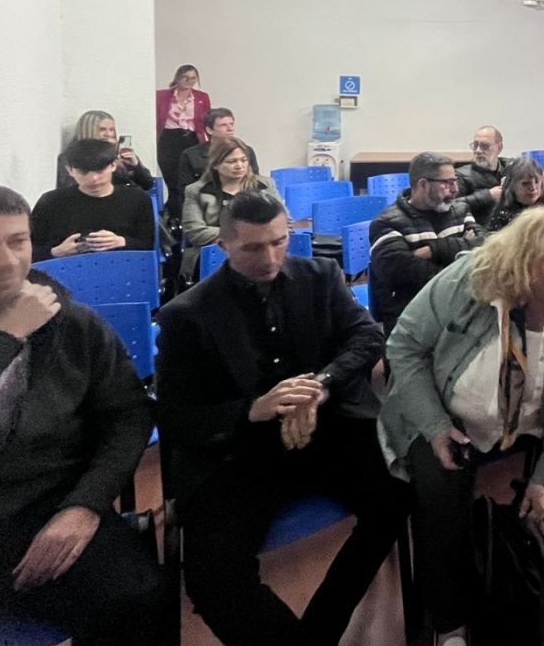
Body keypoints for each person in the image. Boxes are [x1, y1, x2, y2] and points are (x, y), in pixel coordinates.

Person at [156, 191, 407, 646]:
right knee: (212, 578)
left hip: (326, 430)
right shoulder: (185, 316)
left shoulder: (321, 275)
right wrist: (250, 411)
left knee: (398, 497)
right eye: (253, 247)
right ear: (223, 246)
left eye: (279, 242)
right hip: (239, 453)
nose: (270, 257)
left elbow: (367, 338)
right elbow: (176, 419)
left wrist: (322, 383)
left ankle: (320, 630)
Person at [379, 210, 544, 646]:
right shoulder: (471, 280)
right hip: (452, 414)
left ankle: (534, 552)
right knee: (441, 486)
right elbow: (403, 346)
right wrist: (433, 427)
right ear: (523, 262)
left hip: (533, 414)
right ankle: (448, 617)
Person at [0, 185, 160, 646]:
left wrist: (85, 507)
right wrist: (4, 336)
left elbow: (126, 416)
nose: (7, 262)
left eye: (17, 241)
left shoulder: (73, 323)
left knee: (137, 600)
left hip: (52, 505)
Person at [369, 153, 484, 334]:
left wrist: (434, 249)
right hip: (412, 318)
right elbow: (399, 271)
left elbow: (484, 246)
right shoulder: (387, 222)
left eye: (455, 181)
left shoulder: (460, 210)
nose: (455, 189)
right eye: (447, 183)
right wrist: (460, 258)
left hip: (458, 311)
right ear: (423, 185)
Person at [30, 139, 157, 262]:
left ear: (113, 165)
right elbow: (29, 249)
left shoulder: (137, 199)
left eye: (100, 170)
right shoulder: (51, 202)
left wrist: (122, 242)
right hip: (65, 271)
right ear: (70, 170)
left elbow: (149, 245)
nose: (94, 178)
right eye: (84, 172)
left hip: (121, 269)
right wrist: (56, 252)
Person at [181, 137, 284, 280]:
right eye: (231, 161)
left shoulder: (265, 186)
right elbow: (195, 232)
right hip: (212, 252)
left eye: (244, 160)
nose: (240, 166)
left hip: (260, 250)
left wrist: (246, 239)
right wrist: (246, 236)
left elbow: (284, 223)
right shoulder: (195, 191)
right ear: (216, 164)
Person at [155, 64, 211, 216]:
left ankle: (182, 213)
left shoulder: (201, 97)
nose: (189, 81)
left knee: (188, 179)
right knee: (172, 180)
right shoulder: (162, 96)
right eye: (185, 77)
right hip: (168, 139)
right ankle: (174, 215)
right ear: (178, 77)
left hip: (191, 139)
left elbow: (207, 121)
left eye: (193, 78)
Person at [55, 111, 153, 192]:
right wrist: (108, 166)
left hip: (125, 201)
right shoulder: (70, 157)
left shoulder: (119, 154)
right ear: (88, 130)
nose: (109, 134)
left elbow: (147, 185)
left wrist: (136, 166)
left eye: (112, 130)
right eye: (102, 130)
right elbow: (68, 188)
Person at [175, 108, 261, 196]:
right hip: (206, 201)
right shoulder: (191, 155)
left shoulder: (246, 151)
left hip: (242, 200)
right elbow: (185, 190)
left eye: (231, 124)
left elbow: (255, 181)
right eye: (223, 125)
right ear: (209, 130)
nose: (230, 129)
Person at [455, 126, 513, 228]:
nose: (478, 150)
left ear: (499, 148)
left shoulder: (511, 169)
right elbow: (452, 205)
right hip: (477, 229)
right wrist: (488, 196)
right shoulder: (461, 175)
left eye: (484, 146)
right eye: (475, 145)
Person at [484, 157, 544, 234]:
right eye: (526, 183)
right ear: (512, 186)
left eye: (537, 182)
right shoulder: (502, 215)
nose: (533, 188)